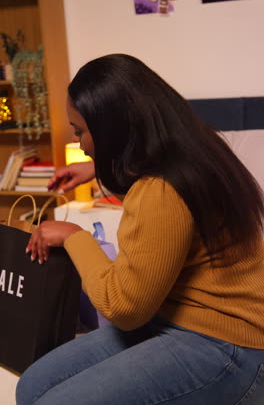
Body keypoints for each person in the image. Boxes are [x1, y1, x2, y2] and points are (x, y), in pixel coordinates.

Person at [16, 54, 264, 405]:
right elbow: (160, 222)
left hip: (226, 343)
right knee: (31, 386)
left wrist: (74, 236)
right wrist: (94, 169)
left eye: (81, 132)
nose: (82, 145)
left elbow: (125, 308)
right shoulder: (194, 148)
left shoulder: (162, 190)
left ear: (113, 130)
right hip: (174, 317)